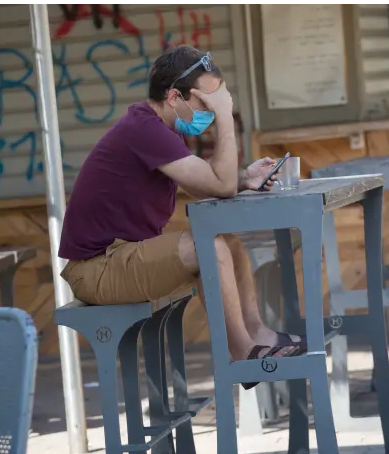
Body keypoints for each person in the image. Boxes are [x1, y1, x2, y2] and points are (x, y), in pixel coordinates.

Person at [59, 46, 306, 386]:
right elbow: (219, 186)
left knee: (230, 245)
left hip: (120, 257)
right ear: (175, 96)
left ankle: (257, 334)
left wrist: (244, 178)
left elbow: (207, 185)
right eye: (206, 103)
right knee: (211, 248)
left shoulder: (159, 130)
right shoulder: (144, 130)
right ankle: (243, 353)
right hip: (97, 268)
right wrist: (225, 117)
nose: (210, 110)